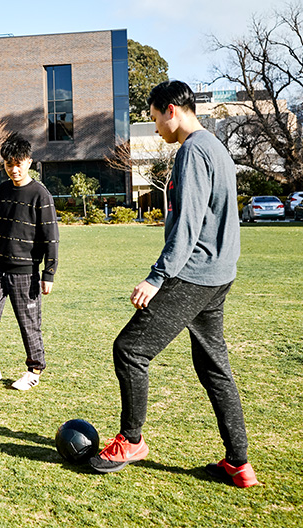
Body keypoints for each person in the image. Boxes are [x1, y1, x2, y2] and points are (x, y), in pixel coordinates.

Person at [89, 81, 259, 488]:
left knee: (130, 350)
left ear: (170, 110)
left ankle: (131, 440)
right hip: (219, 276)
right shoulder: (216, 147)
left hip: (194, 275)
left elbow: (188, 225)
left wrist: (156, 277)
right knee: (214, 367)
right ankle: (239, 463)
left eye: (153, 118)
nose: (156, 129)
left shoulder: (194, 151)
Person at [0, 133, 58, 391]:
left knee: (28, 324)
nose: (14, 169)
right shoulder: (1, 191)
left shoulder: (41, 195)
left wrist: (48, 274)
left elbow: (51, 237)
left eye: (18, 163)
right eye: (9, 164)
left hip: (25, 273)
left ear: (29, 161)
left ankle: (34, 370)